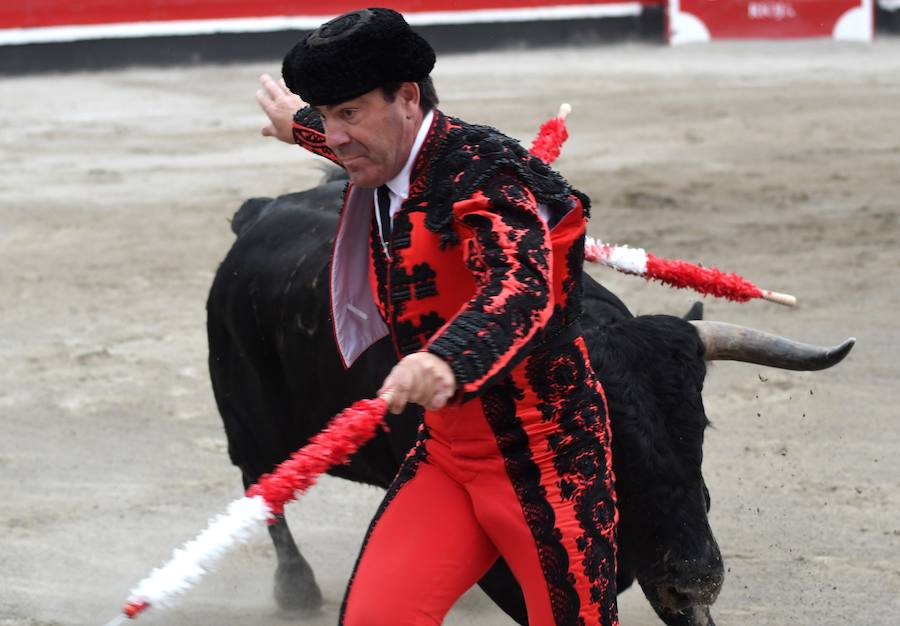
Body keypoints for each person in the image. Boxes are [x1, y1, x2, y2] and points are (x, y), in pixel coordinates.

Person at [256, 8, 618, 625]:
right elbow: (368, 149)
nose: (336, 135)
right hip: (448, 455)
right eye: (326, 116)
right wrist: (300, 126)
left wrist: (448, 359)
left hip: (547, 459)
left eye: (348, 113)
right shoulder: (390, 152)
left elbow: (522, 286)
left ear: (407, 97)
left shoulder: (491, 175)